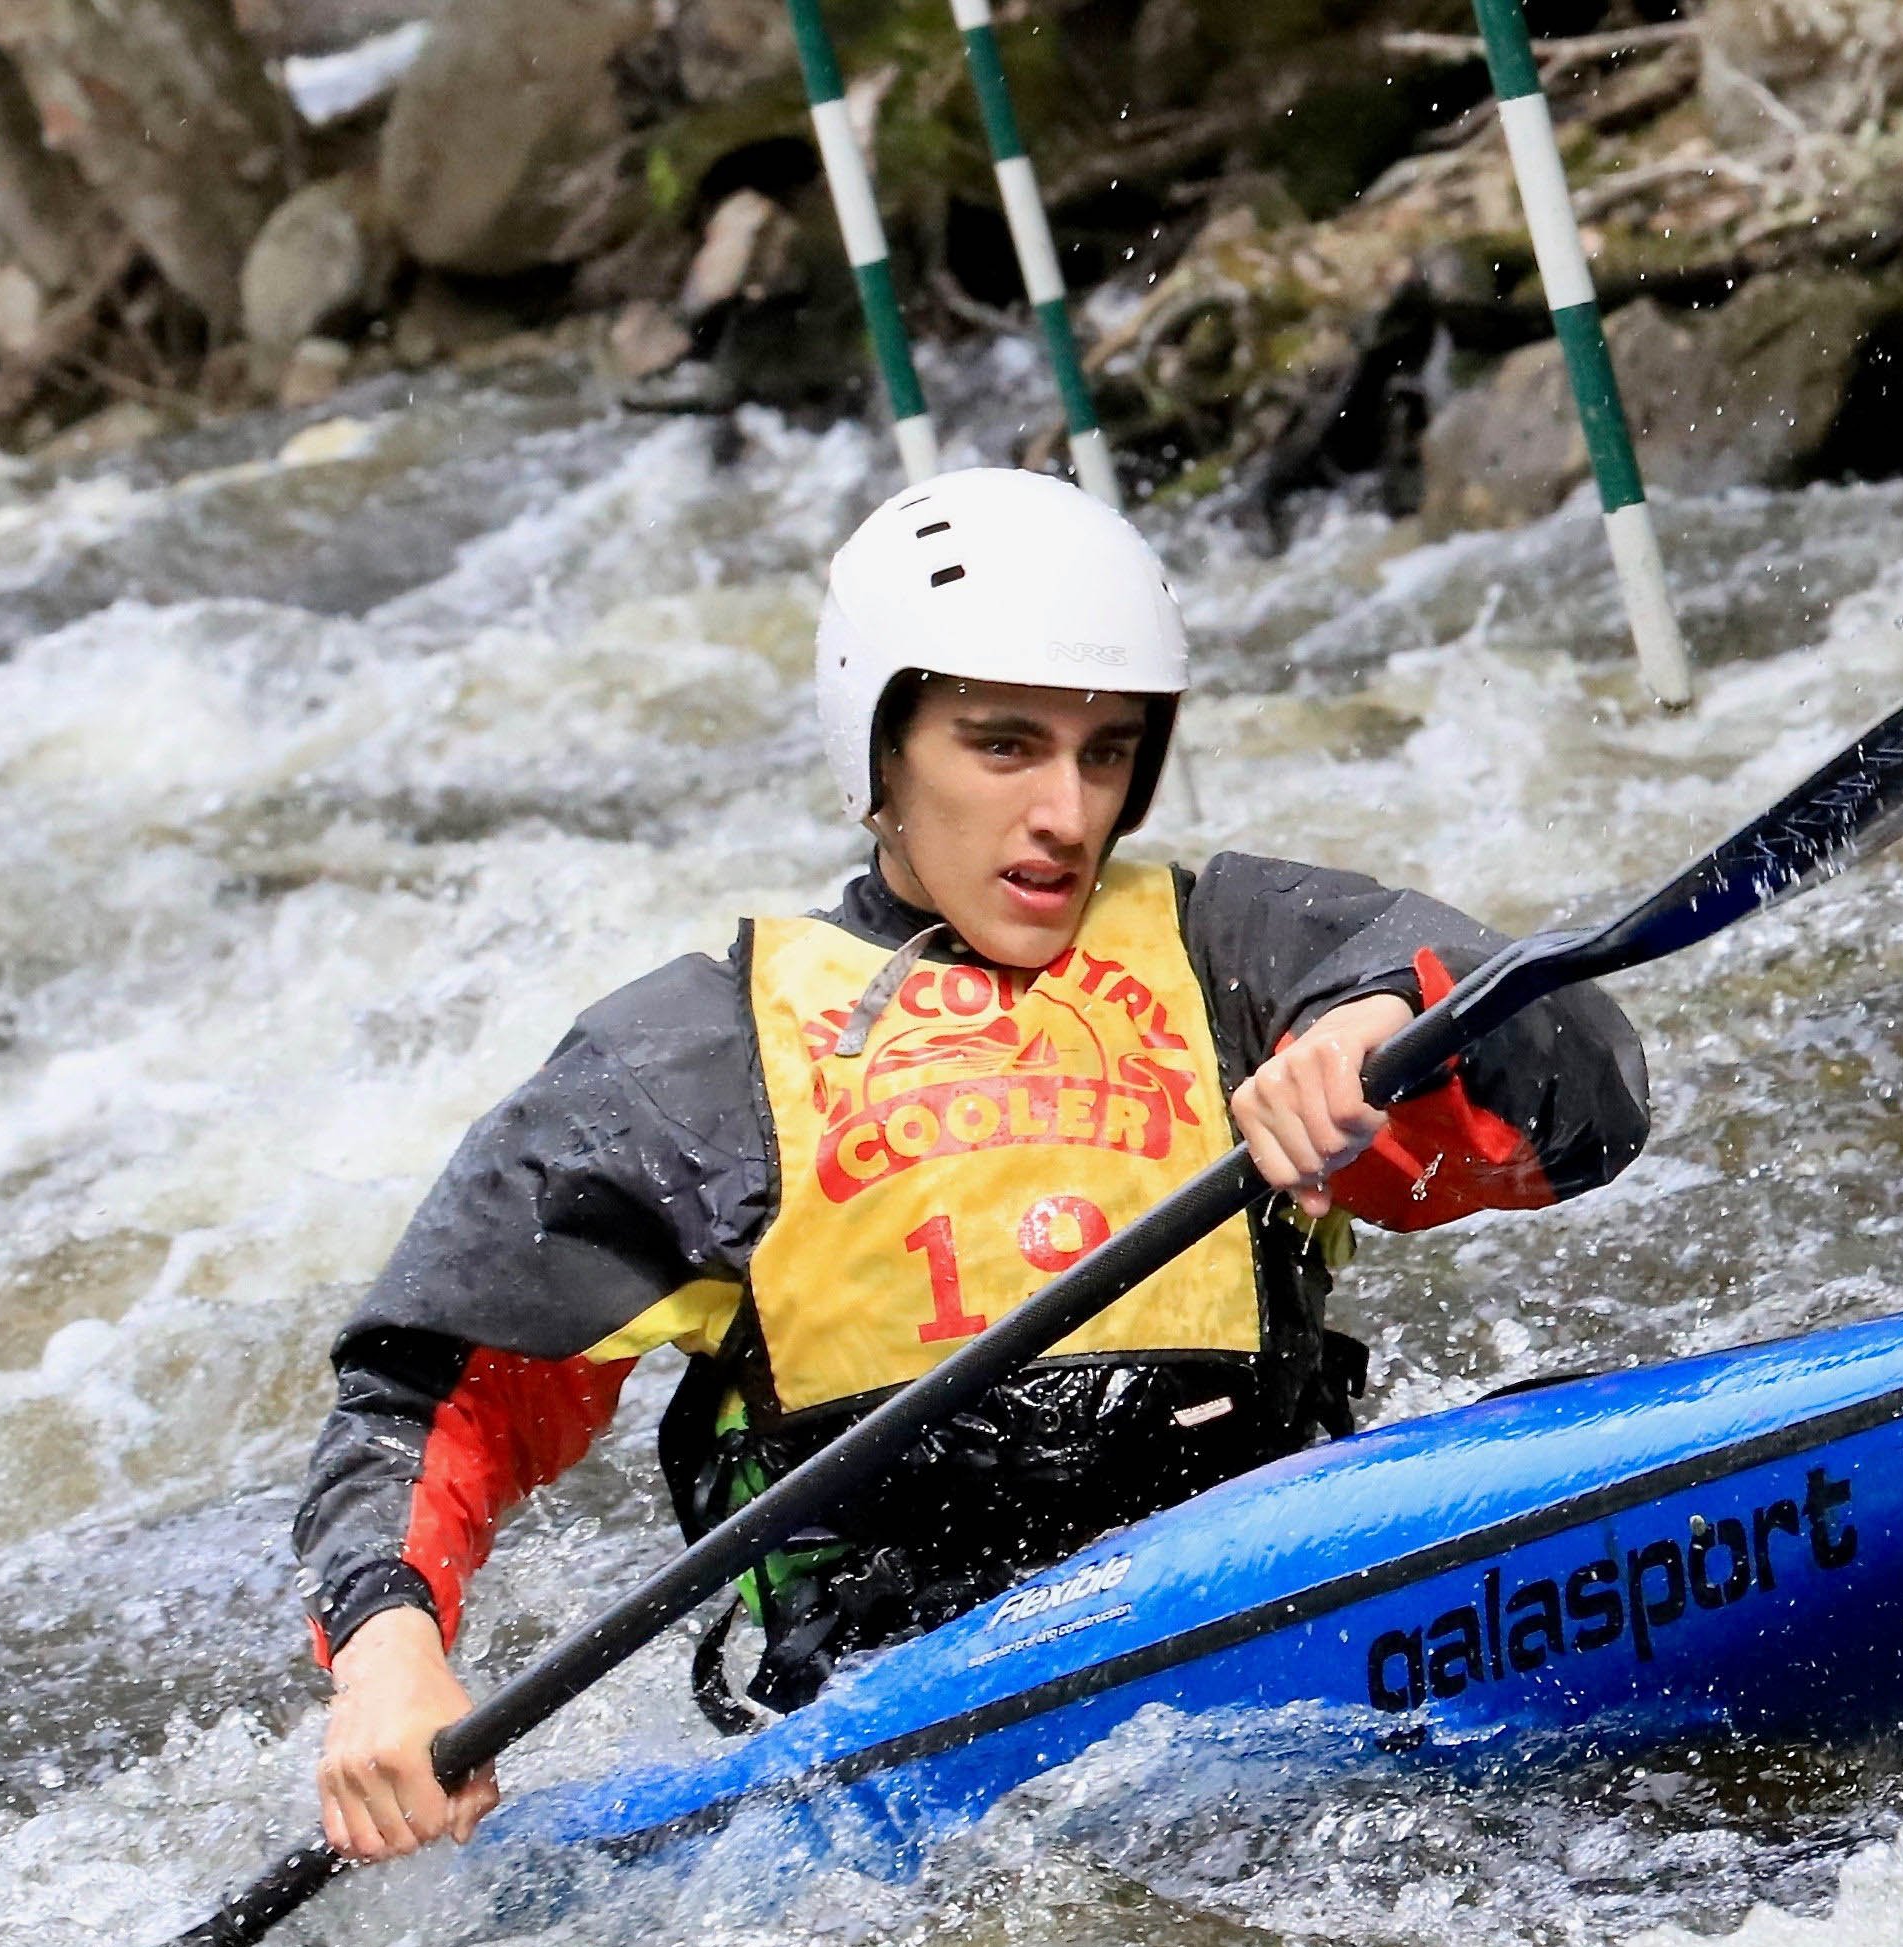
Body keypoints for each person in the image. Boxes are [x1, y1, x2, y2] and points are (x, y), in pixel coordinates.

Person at [296, 468, 1651, 1863]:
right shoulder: (694, 1063)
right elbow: (423, 1397)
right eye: (1002, 747)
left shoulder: (1245, 950)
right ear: (883, 754)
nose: (1066, 813)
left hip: (1275, 1603)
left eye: (1107, 752)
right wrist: (391, 1652)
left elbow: (1586, 1092)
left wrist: (1384, 1033)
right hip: (915, 1723)